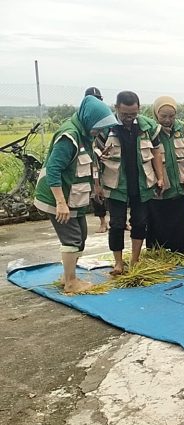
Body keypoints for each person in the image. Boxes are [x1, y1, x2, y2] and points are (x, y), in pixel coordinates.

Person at [33, 95, 118, 293]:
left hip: (74, 198)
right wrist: (60, 203)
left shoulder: (85, 135)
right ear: (88, 119)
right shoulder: (69, 137)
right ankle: (71, 283)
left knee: (81, 235)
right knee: (72, 239)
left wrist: (96, 182)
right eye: (97, 126)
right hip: (59, 199)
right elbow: (53, 170)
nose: (99, 131)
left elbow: (83, 161)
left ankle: (67, 276)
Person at [99, 91, 165, 275]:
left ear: (139, 109)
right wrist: (97, 184)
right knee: (117, 224)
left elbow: (157, 153)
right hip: (116, 184)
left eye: (133, 114)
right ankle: (118, 263)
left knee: (140, 222)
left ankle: (135, 259)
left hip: (142, 183)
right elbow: (95, 156)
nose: (129, 118)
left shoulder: (148, 127)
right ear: (116, 108)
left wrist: (160, 177)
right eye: (125, 114)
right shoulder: (106, 128)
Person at [146, 96, 184, 254]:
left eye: (172, 116)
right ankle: (157, 250)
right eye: (163, 116)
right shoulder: (150, 132)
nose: (168, 120)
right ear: (156, 114)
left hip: (179, 183)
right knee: (158, 217)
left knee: (179, 217)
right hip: (160, 184)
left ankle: (180, 249)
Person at [84, 87, 109, 233]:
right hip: (94, 163)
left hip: (110, 161)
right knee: (97, 192)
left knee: (117, 192)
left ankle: (121, 221)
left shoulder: (107, 119)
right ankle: (102, 222)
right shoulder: (85, 121)